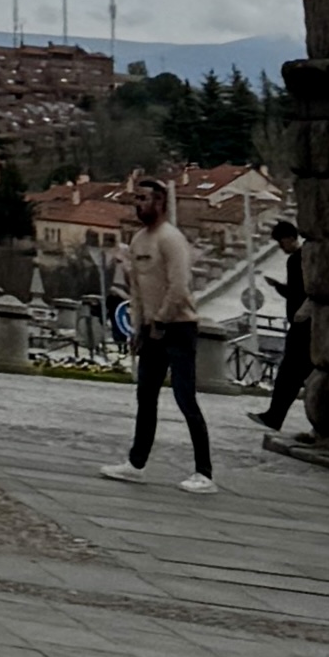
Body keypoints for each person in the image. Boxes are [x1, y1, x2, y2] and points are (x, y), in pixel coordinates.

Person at [106, 179, 216, 490]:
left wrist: (162, 320)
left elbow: (179, 287)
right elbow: (137, 289)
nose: (137, 204)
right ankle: (136, 463)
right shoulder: (139, 240)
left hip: (178, 327)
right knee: (146, 396)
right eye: (136, 198)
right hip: (151, 328)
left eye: (143, 199)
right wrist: (139, 326)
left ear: (159, 202)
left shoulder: (171, 239)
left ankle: (204, 472)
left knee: (185, 398)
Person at [253, 219, 313, 442]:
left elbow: (297, 293)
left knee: (289, 373)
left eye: (281, 243)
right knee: (298, 374)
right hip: (306, 324)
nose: (281, 247)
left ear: (288, 238)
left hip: (301, 325)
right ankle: (275, 416)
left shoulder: (296, 260)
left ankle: (274, 417)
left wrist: (278, 287)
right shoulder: (306, 257)